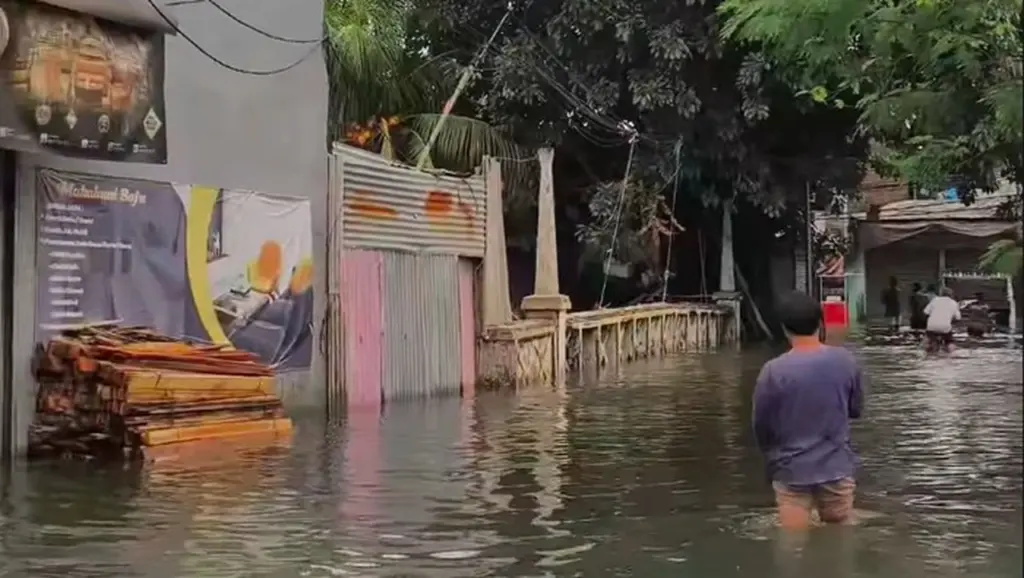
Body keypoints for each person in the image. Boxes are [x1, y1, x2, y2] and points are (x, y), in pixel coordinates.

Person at [753, 290, 864, 531]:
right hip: (835, 466)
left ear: (784, 328)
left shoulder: (773, 371)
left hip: (791, 469)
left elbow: (761, 426)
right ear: (820, 323)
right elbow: (855, 410)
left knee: (793, 540)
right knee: (840, 535)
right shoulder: (845, 361)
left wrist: (771, 458)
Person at [923, 286, 961, 353]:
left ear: (941, 293)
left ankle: (928, 351)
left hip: (932, 326)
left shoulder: (934, 300)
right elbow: (958, 318)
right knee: (949, 341)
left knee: (928, 340)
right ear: (951, 294)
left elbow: (925, 312)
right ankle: (952, 354)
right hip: (945, 327)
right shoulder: (954, 303)